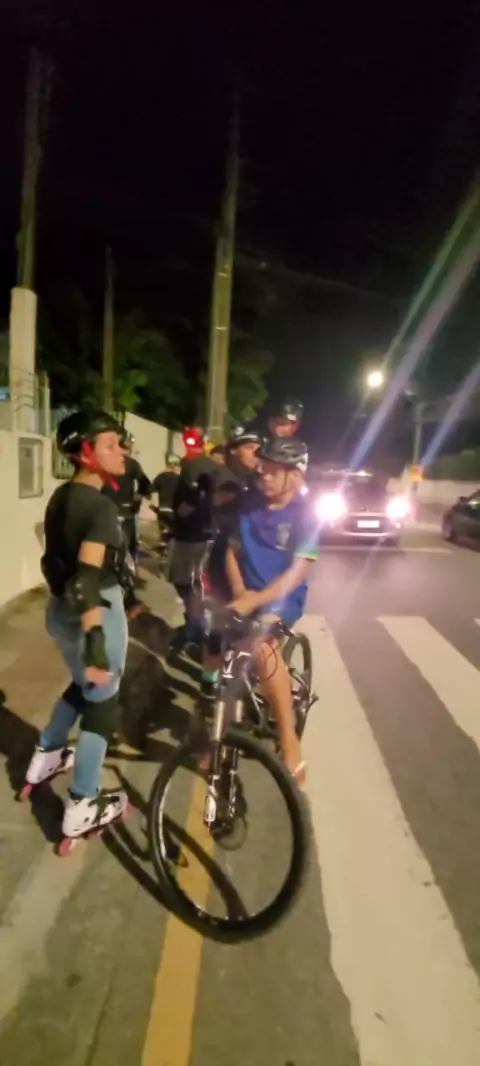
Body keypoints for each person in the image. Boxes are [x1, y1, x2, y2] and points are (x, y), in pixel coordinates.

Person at [22, 410, 131, 843]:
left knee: (83, 685)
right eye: (110, 444)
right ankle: (85, 802)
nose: (122, 451)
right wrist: (97, 641)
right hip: (94, 611)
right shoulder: (100, 506)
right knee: (103, 704)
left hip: (58, 611)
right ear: (86, 453)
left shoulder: (62, 495)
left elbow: (51, 549)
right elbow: (87, 579)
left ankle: (47, 755)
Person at [224, 437, 318, 787]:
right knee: (220, 648)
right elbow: (231, 552)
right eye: (262, 468)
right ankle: (217, 731)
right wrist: (240, 593)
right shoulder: (249, 504)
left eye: (273, 470)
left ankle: (290, 741)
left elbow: (299, 571)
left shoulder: (307, 514)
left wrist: (257, 601)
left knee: (264, 648)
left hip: (283, 597)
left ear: (295, 475)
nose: (263, 475)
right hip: (247, 592)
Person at [103, 429, 152, 563]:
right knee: (128, 546)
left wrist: (139, 496)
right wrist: (139, 496)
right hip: (122, 511)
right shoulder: (131, 463)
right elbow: (145, 483)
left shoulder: (126, 463)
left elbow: (145, 483)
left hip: (117, 511)